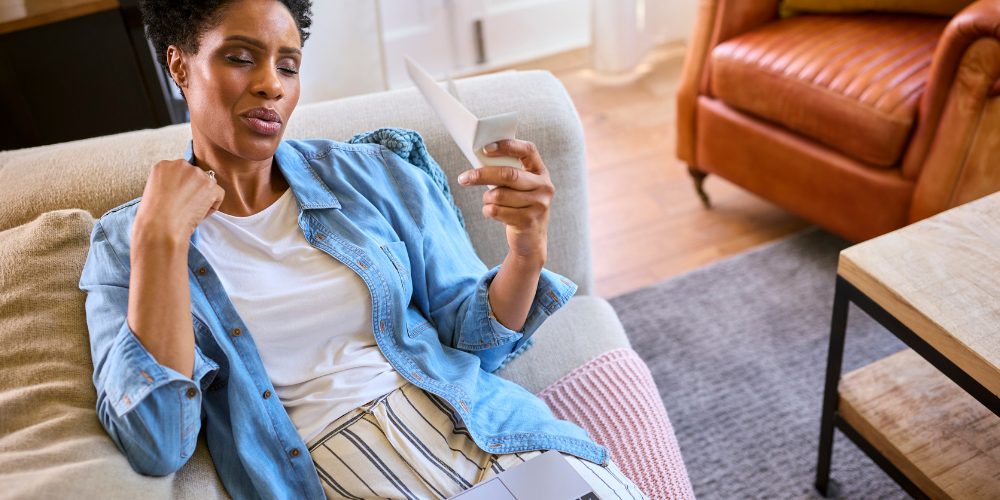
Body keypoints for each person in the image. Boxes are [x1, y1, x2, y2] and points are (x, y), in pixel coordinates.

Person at [80, 1, 649, 499]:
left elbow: (472, 338)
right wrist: (160, 239)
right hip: (337, 471)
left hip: (486, 434)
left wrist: (527, 250)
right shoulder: (125, 243)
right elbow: (156, 442)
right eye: (239, 57)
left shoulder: (373, 174)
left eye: (288, 65)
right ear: (180, 63)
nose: (272, 85)